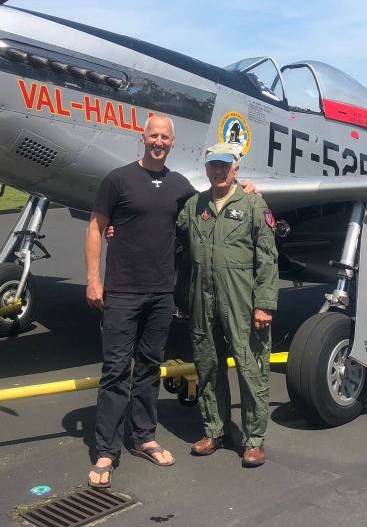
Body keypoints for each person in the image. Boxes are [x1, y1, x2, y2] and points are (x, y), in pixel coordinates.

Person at [85, 115, 195, 488]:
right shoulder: (118, 179)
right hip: (122, 291)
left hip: (161, 293)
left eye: (165, 137)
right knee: (116, 370)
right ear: (142, 137)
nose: (159, 142)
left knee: (149, 367)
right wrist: (93, 280)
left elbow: (208, 209)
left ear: (172, 142)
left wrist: (245, 189)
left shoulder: (180, 186)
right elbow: (96, 227)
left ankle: (144, 437)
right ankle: (106, 450)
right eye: (153, 136)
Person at [176, 143, 279, 467]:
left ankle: (254, 440)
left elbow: (268, 258)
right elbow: (165, 228)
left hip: (242, 301)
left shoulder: (252, 204)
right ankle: (214, 430)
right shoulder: (194, 205)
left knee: (251, 369)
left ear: (235, 168)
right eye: (213, 166)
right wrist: (116, 227)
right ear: (206, 169)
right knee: (208, 366)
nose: (218, 171)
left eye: (224, 165)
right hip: (203, 301)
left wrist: (264, 304)